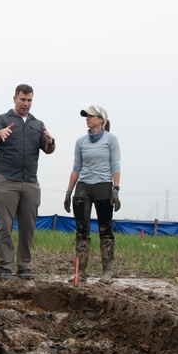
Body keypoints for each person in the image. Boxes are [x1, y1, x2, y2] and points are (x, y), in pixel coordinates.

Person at [0, 83, 55, 280]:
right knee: (4, 226)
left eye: (29, 100)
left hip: (30, 182)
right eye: (23, 100)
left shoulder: (37, 124)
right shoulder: (3, 119)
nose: (26, 104)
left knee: (28, 227)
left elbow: (48, 150)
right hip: (6, 180)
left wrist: (50, 142)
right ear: (14, 98)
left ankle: (24, 266)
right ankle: (5, 267)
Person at [63, 105, 121, 281]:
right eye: (86, 116)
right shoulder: (81, 142)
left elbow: (116, 166)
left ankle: (107, 272)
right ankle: (80, 273)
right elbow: (76, 168)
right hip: (83, 187)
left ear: (101, 119)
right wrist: (68, 192)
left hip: (103, 186)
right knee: (82, 230)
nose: (87, 118)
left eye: (91, 116)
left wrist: (116, 189)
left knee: (105, 229)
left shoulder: (111, 140)